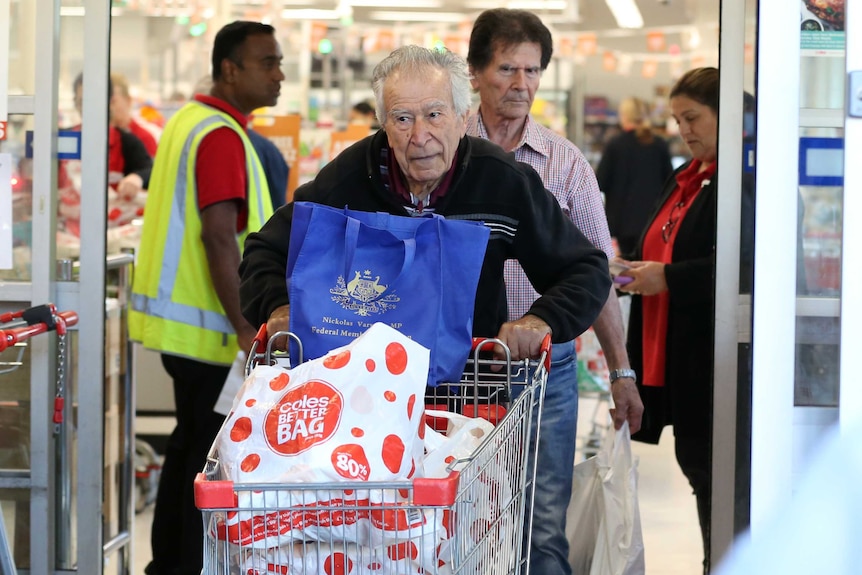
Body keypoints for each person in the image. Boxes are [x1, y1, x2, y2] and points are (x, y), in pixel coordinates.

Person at [239, 46, 611, 440]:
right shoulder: (349, 179)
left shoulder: (502, 182)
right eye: (402, 118)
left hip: (467, 404)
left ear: (463, 117)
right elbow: (265, 250)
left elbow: (585, 269)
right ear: (383, 124)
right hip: (359, 402)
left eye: (434, 115)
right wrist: (278, 305)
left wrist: (541, 319)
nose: (420, 137)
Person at [465, 9, 643, 574]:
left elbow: (600, 277)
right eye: (507, 69)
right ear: (473, 73)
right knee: (457, 514)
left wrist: (621, 373)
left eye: (533, 71)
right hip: (459, 365)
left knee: (543, 526)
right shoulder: (443, 151)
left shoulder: (564, 164)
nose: (522, 85)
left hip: (547, 368)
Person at [129, 20, 281, 575]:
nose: (279, 75)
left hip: (186, 330)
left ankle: (165, 562)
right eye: (267, 63)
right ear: (229, 70)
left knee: (187, 446)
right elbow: (219, 235)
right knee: (208, 464)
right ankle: (186, 565)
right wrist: (247, 328)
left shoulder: (187, 123)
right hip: (212, 334)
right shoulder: (219, 135)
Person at [615, 67, 738, 574]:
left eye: (693, 118)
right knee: (700, 473)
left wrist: (669, 277)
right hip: (678, 356)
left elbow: (742, 267)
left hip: (716, 360)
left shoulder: (739, 182)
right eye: (677, 120)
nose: (684, 130)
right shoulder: (691, 175)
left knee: (718, 479)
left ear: (728, 115)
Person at [58, 73, 153, 235]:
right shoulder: (63, 140)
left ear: (110, 101)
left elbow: (149, 171)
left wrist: (135, 178)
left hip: (113, 236)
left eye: (95, 100)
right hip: (67, 232)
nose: (88, 107)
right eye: (82, 101)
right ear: (75, 103)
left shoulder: (128, 142)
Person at [597, 96, 674, 256]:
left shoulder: (615, 144)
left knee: (627, 268)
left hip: (622, 221)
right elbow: (670, 182)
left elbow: (600, 182)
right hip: (654, 219)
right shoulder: (659, 144)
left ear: (624, 116)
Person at [109, 71, 161, 157]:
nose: (109, 108)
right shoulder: (101, 138)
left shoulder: (145, 139)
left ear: (128, 100)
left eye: (113, 102)